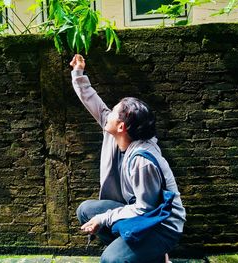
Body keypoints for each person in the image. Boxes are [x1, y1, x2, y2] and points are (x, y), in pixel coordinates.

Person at [70, 54, 186, 263]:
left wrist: (104, 218)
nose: (108, 113)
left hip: (161, 225)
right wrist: (78, 73)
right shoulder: (118, 134)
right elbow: (93, 101)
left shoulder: (143, 160)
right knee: (86, 211)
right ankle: (146, 254)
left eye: (113, 111)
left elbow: (145, 209)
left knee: (110, 260)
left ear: (122, 127)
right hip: (141, 213)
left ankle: (152, 253)